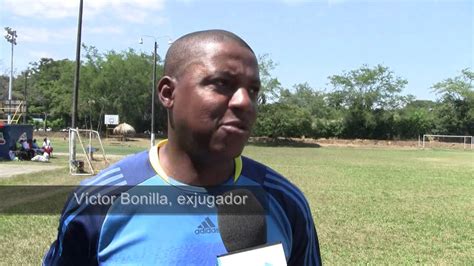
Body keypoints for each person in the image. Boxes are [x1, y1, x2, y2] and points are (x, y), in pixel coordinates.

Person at [43, 30, 321, 265]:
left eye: (253, 91)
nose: (245, 103)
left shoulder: (285, 201)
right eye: (222, 84)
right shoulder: (98, 202)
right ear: (168, 93)